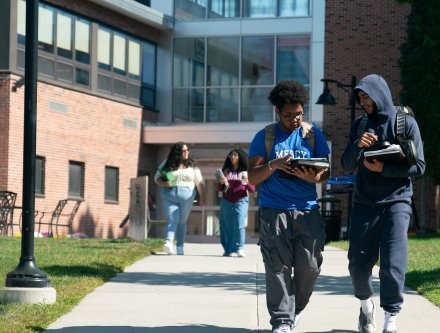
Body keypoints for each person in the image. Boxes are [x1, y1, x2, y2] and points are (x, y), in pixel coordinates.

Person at [341, 74, 425, 333]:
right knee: (357, 264)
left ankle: (391, 320)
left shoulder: (406, 123)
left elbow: (419, 166)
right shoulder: (359, 125)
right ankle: (367, 308)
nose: (364, 102)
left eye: (367, 96)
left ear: (380, 94)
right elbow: (346, 163)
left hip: (397, 202)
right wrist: (357, 147)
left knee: (392, 264)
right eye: (360, 98)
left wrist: (383, 169)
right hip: (365, 203)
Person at [248, 80, 330, 333]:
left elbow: (325, 174)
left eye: (298, 114)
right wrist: (274, 165)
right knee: (277, 267)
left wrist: (309, 175)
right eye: (288, 115)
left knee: (310, 266)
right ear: (277, 112)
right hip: (274, 210)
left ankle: (295, 310)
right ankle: (282, 321)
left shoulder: (313, 135)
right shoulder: (266, 136)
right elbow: (252, 177)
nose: (294, 119)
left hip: (307, 209)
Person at [154, 142, 205, 255]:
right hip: (169, 195)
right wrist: (164, 183)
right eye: (184, 150)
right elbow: (156, 178)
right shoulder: (167, 163)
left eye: (187, 150)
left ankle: (180, 246)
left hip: (187, 197)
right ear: (178, 153)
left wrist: (202, 197)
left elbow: (199, 182)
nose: (187, 152)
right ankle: (168, 243)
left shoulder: (192, 165)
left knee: (182, 221)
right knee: (173, 219)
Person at [216, 149, 256, 258]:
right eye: (231, 155)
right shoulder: (226, 171)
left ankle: (240, 248)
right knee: (225, 225)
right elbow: (219, 188)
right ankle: (228, 249)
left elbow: (252, 189)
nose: (232, 157)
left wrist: (247, 183)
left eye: (235, 155)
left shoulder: (245, 171)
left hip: (241, 200)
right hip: (226, 200)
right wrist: (221, 183)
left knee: (239, 224)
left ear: (240, 157)